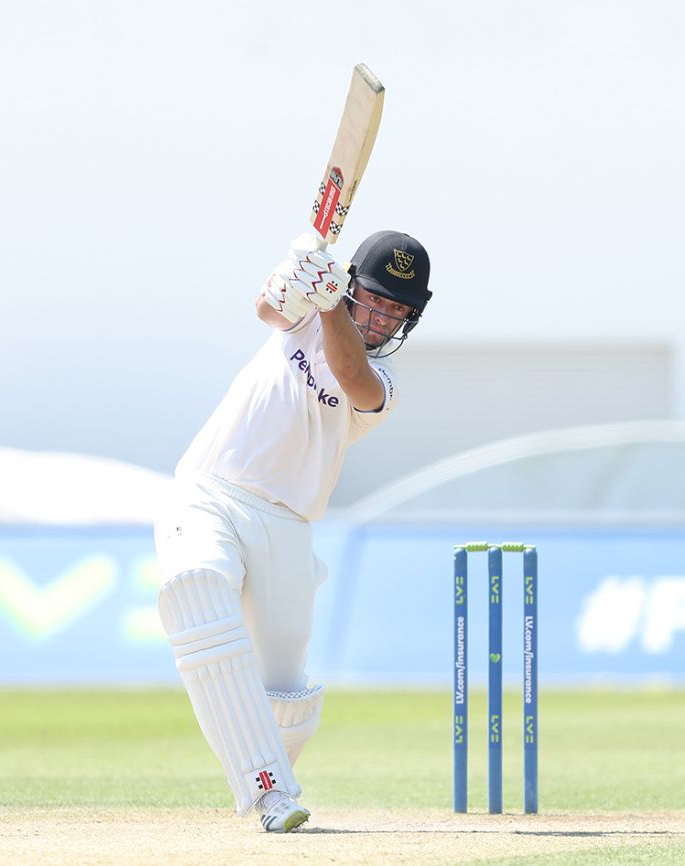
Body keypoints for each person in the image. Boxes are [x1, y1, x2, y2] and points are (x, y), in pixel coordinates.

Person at [152, 230, 432, 832]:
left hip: (287, 526)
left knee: (285, 698)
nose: (383, 317)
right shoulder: (307, 315)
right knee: (195, 583)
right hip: (209, 489)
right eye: (375, 300)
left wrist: (333, 303)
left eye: (397, 311)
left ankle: (270, 773)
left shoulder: (383, 388)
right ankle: (269, 794)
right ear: (353, 285)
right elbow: (267, 309)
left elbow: (351, 374)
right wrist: (297, 273)